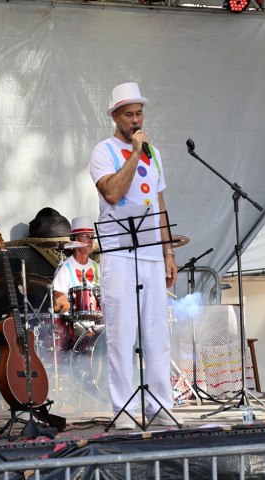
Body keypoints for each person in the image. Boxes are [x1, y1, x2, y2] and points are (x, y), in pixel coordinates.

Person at [89, 82, 179, 430]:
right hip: (119, 254)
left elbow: (159, 205)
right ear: (115, 117)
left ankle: (161, 406)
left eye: (139, 113)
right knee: (122, 333)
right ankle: (124, 409)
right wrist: (134, 151)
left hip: (152, 253)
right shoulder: (103, 151)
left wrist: (168, 252)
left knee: (157, 333)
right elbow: (112, 193)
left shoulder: (154, 154)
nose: (136, 119)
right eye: (129, 114)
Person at [52, 216, 101, 321]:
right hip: (73, 324)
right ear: (75, 239)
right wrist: (63, 302)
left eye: (92, 237)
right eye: (86, 236)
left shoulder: (96, 267)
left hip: (98, 322)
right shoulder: (65, 268)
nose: (90, 241)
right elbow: (58, 296)